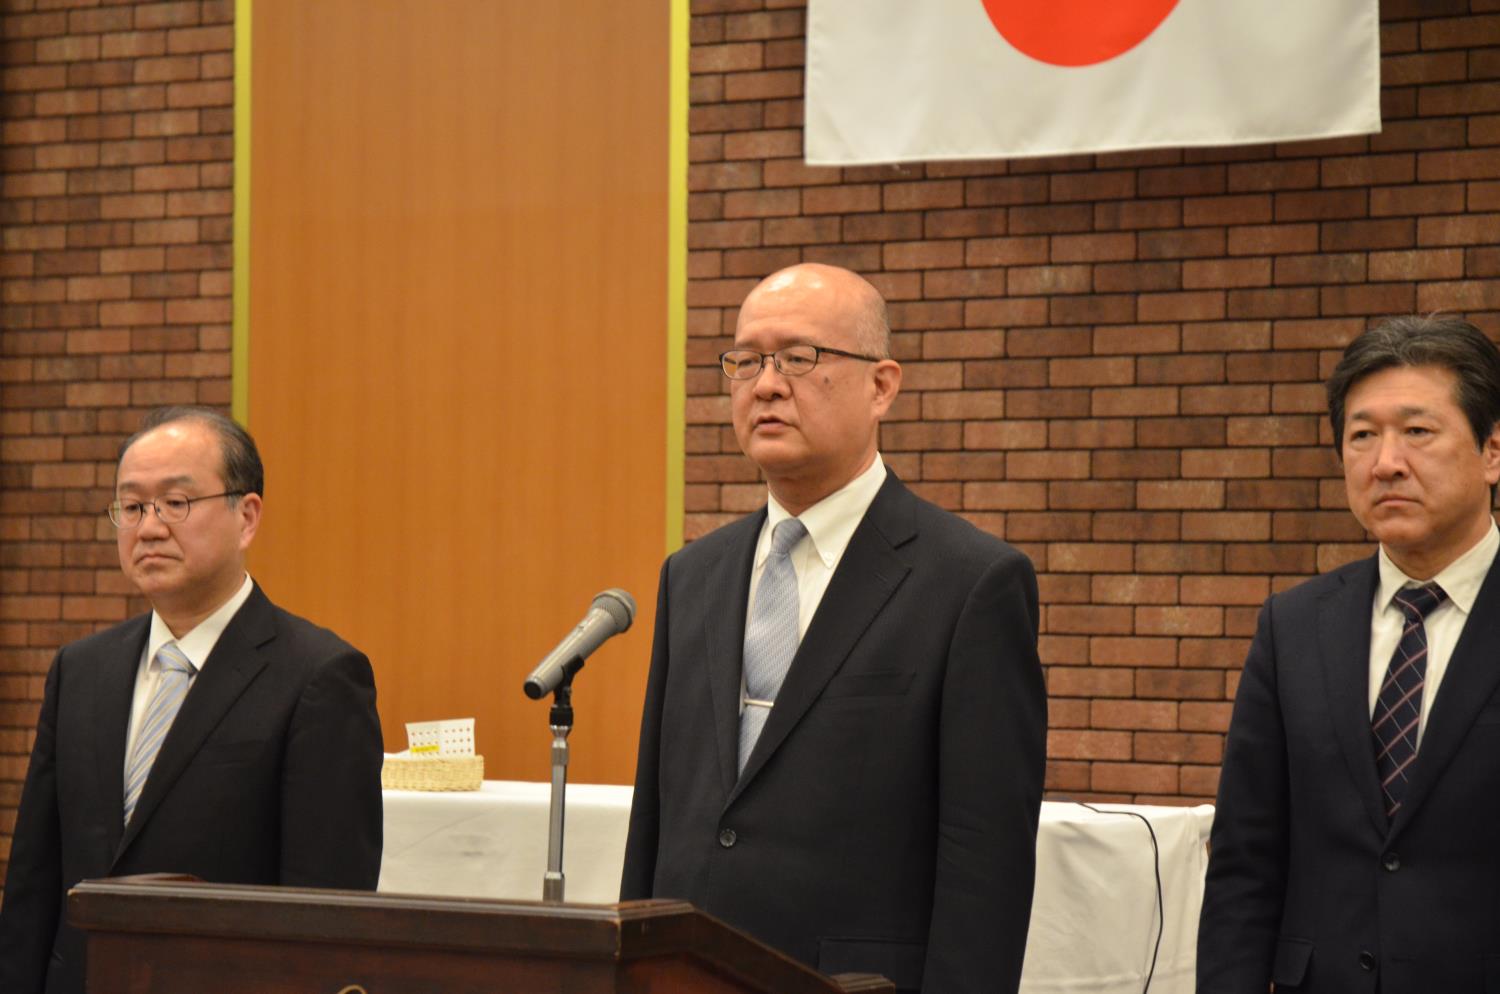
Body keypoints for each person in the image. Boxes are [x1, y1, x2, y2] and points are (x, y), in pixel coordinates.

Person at [621, 263, 1047, 994]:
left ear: (882, 386)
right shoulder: (691, 575)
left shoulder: (970, 583)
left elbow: (987, 864)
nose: (766, 385)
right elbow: (655, 821)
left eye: (798, 358)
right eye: (746, 361)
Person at [0, 406, 384, 994]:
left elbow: (325, 918)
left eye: (176, 503)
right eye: (131, 507)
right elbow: (34, 878)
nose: (149, 527)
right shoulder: (81, 668)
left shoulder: (319, 677)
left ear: (246, 516)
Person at [1198, 315, 1500, 993]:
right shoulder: (1294, 625)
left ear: (1492, 451)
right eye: (1363, 435)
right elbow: (1247, 861)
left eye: (1417, 432)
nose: (1386, 461)